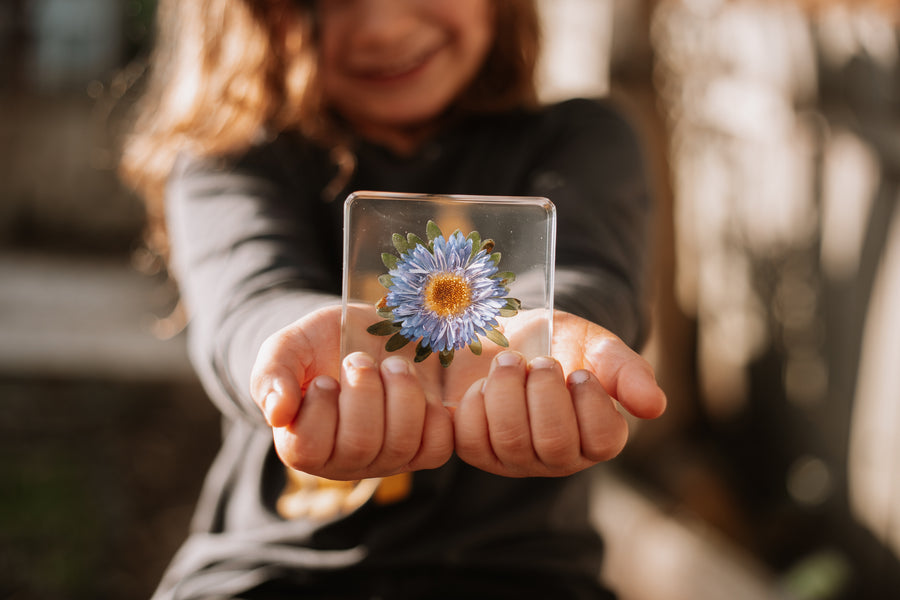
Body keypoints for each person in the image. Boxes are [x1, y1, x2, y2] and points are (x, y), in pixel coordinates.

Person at [121, 0, 666, 598]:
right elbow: (249, 299)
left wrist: (559, 335)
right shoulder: (230, 157)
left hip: (523, 574)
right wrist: (295, 356)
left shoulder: (583, 138)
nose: (383, 28)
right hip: (273, 571)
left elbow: (592, 275)